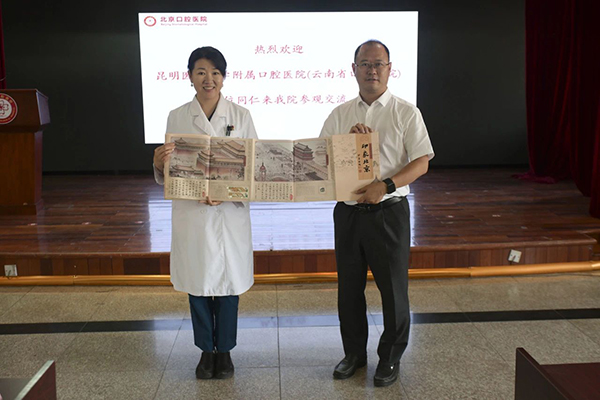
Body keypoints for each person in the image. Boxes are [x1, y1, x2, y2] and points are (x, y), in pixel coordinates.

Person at [319, 40, 434, 387]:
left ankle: (390, 358)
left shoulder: (405, 112)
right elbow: (322, 159)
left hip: (388, 212)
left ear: (389, 69)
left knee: (393, 290)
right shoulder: (340, 114)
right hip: (349, 213)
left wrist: (384, 184)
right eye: (365, 64)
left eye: (378, 64)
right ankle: (354, 354)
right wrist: (346, 145)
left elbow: (421, 163)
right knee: (349, 289)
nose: (372, 70)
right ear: (353, 69)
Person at [153, 46, 258, 380]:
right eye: (200, 72)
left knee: (228, 286)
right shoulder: (177, 116)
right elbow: (171, 170)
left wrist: (224, 193)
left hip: (229, 215)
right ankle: (204, 351)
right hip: (192, 214)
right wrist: (158, 162)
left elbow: (253, 169)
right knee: (198, 286)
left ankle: (224, 352)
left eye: (215, 72)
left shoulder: (241, 115)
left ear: (223, 77)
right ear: (190, 77)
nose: (208, 79)